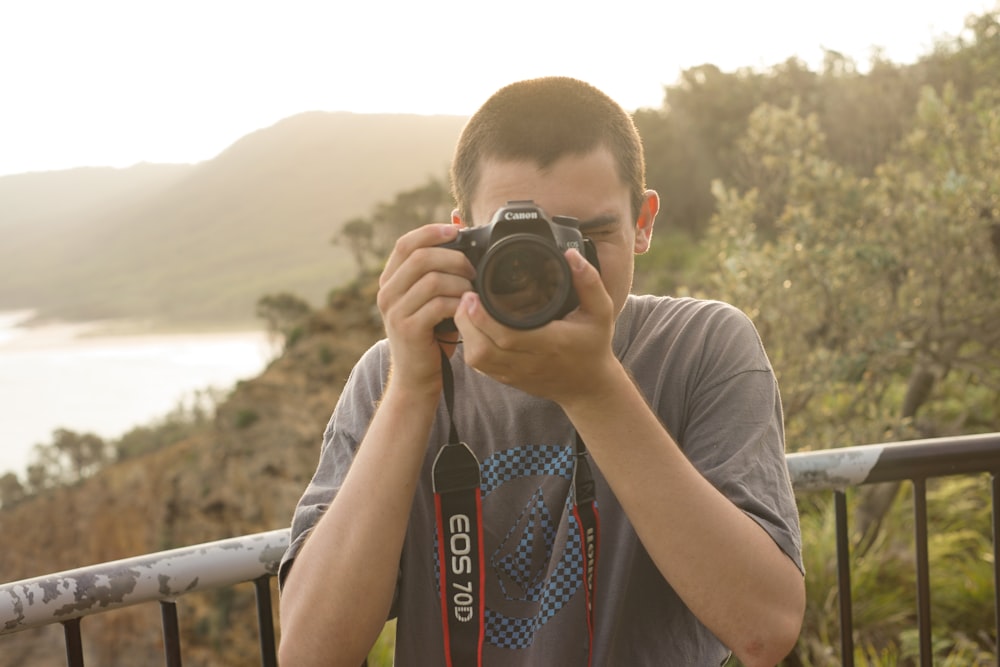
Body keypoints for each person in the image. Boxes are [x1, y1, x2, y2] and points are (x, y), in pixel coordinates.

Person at [277, 76, 805, 666]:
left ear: (643, 222)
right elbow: (310, 655)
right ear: (463, 236)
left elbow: (766, 628)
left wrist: (594, 387)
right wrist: (412, 390)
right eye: (520, 241)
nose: (561, 266)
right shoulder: (395, 375)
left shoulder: (701, 347)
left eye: (591, 234)